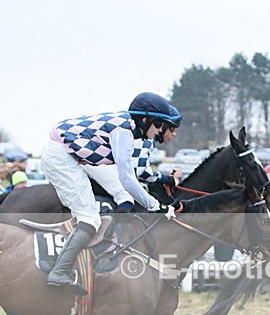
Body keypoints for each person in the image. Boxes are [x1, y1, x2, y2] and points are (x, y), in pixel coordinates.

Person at [42, 92, 179, 293]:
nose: (160, 130)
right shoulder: (123, 131)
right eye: (159, 125)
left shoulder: (129, 127)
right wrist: (155, 206)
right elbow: (127, 178)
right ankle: (59, 272)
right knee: (89, 219)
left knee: (95, 214)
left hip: (70, 157)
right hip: (61, 157)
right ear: (144, 119)